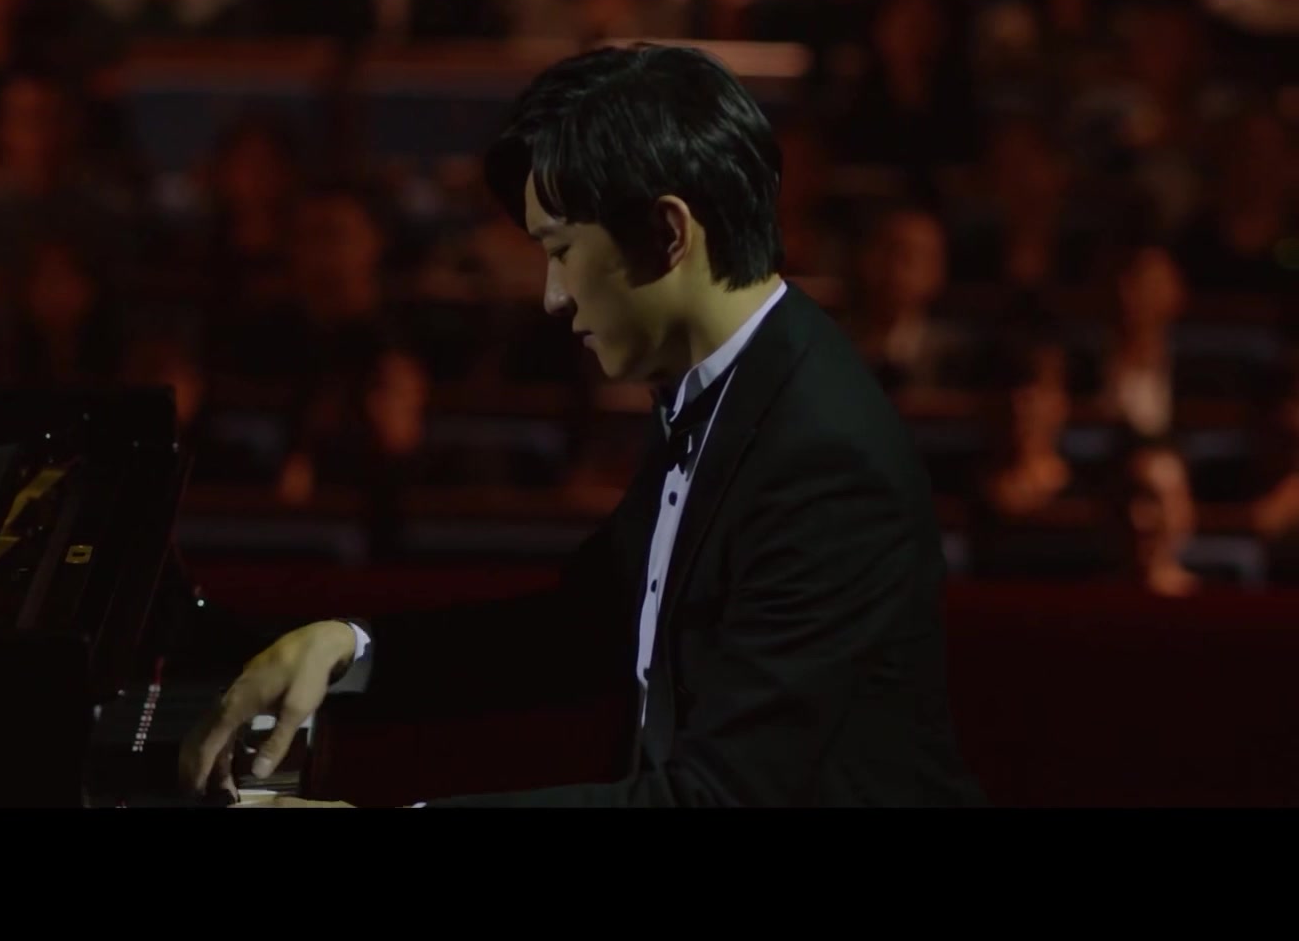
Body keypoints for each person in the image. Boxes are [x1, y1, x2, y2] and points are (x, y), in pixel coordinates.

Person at [178, 43, 987, 807]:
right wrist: (352, 652)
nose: (552, 296)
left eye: (562, 249)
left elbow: (721, 797)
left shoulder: (821, 456)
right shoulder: (725, 386)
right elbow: (580, 630)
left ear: (668, 234)